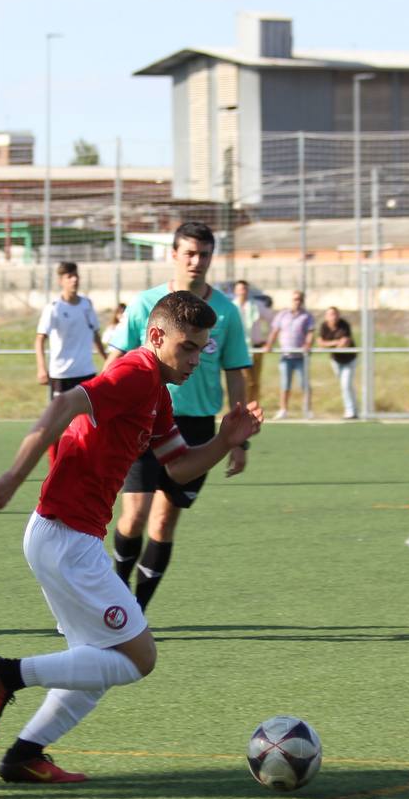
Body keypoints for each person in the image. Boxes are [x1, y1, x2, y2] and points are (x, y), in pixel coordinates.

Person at [0, 291, 262, 783]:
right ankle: (9, 674)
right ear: (156, 337)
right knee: (138, 658)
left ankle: (24, 755)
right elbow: (65, 402)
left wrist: (222, 441)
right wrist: (11, 479)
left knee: (99, 662)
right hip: (66, 540)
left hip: (65, 538)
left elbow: (181, 467)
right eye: (188, 347)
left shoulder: (158, 393)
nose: (195, 359)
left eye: (202, 350)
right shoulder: (136, 373)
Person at [105, 222, 250, 612]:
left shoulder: (227, 313)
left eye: (204, 254)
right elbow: (115, 359)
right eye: (189, 253)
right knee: (133, 515)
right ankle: (110, 602)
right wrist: (100, 407)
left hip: (197, 426)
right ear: (173, 255)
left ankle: (134, 611)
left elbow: (235, 372)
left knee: (164, 522)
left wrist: (239, 441)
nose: (196, 261)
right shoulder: (146, 304)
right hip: (143, 421)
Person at [36, 262, 106, 400]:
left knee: (88, 419)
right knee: (61, 420)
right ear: (61, 281)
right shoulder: (54, 308)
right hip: (61, 375)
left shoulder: (87, 305)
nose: (74, 280)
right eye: (69, 276)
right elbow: (40, 339)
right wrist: (41, 368)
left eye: (76, 276)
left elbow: (95, 335)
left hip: (86, 373)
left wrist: (107, 360)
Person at [264, 290, 315, 420]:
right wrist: (269, 344)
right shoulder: (282, 315)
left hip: (300, 357)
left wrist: (307, 344)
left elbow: (310, 333)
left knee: (304, 384)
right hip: (285, 356)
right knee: (285, 384)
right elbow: (275, 331)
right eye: (295, 299)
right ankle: (283, 410)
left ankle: (307, 410)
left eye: (299, 299)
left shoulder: (307, 316)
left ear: (302, 301)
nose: (297, 301)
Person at [232, 281, 271, 407]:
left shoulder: (257, 305)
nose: (243, 291)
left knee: (255, 381)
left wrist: (268, 340)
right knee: (244, 380)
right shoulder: (232, 307)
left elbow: (272, 321)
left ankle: (253, 407)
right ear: (235, 291)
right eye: (240, 289)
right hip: (240, 348)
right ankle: (241, 406)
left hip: (256, 347)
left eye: (245, 288)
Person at [317, 306, 358, 420]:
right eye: (330, 314)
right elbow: (320, 343)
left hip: (349, 360)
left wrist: (328, 344)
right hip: (336, 360)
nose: (333, 317)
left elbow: (344, 342)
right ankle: (355, 409)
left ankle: (350, 412)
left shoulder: (344, 325)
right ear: (326, 317)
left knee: (345, 385)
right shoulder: (324, 326)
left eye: (335, 314)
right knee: (346, 386)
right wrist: (335, 342)